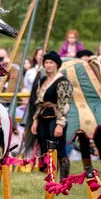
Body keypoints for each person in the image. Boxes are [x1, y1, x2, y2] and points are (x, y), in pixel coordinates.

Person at [26, 51, 73, 181]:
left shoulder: (63, 81)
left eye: (51, 62)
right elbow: (38, 103)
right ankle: (50, 177)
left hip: (56, 119)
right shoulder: (43, 80)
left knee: (59, 149)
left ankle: (64, 180)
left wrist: (60, 124)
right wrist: (35, 120)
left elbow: (64, 105)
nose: (48, 65)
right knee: (45, 149)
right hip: (43, 119)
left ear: (57, 64)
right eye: (46, 62)